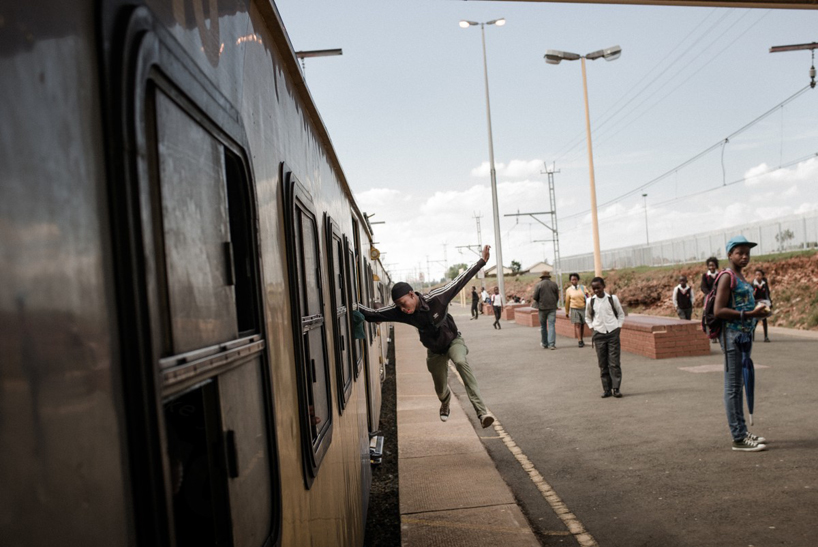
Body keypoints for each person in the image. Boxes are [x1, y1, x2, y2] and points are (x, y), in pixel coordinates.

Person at [357, 246, 495, 428]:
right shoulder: (400, 311)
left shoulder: (437, 298)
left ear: (412, 294)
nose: (402, 309)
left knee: (460, 362)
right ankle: (445, 402)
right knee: (440, 389)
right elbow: (374, 314)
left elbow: (459, 280)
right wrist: (352, 307)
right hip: (435, 351)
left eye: (404, 303)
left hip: (453, 341)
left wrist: (482, 261)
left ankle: (482, 412)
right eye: (398, 306)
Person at [713, 236, 771, 452]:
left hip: (744, 336)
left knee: (739, 385)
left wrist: (758, 312)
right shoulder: (726, 277)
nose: (745, 256)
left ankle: (742, 431)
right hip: (732, 336)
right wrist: (749, 314)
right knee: (733, 387)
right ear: (730, 254)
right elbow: (718, 310)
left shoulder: (741, 276)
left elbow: (742, 305)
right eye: (740, 253)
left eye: (747, 253)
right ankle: (738, 437)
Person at [585, 277, 626, 398]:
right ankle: (607, 389)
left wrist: (618, 327)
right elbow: (587, 317)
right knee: (602, 363)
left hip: (613, 332)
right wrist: (592, 328)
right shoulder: (590, 301)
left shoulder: (612, 299)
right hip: (599, 334)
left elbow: (621, 314)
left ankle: (616, 388)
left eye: (598, 288)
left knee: (614, 362)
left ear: (603, 286)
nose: (596, 290)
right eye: (594, 288)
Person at [532, 271, 560, 350]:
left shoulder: (539, 285)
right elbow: (557, 297)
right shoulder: (554, 284)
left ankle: (545, 343)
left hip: (542, 308)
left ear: (542, 277)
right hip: (552, 307)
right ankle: (552, 344)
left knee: (543, 326)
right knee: (551, 325)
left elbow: (535, 297)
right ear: (548, 277)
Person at [564, 273, 588, 347]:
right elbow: (567, 302)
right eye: (572, 280)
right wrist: (567, 312)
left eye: (575, 279)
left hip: (583, 308)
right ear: (570, 280)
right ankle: (579, 341)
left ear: (578, 280)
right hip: (574, 309)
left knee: (582, 324)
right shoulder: (568, 290)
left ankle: (581, 338)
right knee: (577, 324)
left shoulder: (583, 288)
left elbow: (588, 297)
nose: (574, 281)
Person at [701, 257, 719, 342]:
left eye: (713, 265)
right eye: (710, 265)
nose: (711, 267)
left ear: (716, 266)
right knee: (707, 314)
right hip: (709, 297)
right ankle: (711, 334)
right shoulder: (705, 276)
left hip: (719, 296)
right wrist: (709, 294)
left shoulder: (719, 275)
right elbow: (703, 287)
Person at [753, 268, 772, 343]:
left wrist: (769, 302)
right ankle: (752, 336)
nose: (757, 276)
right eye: (756, 275)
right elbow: (750, 295)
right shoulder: (753, 284)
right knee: (755, 320)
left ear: (762, 276)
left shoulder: (764, 284)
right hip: (756, 303)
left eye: (759, 275)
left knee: (764, 319)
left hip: (764, 303)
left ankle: (766, 336)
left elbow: (767, 294)